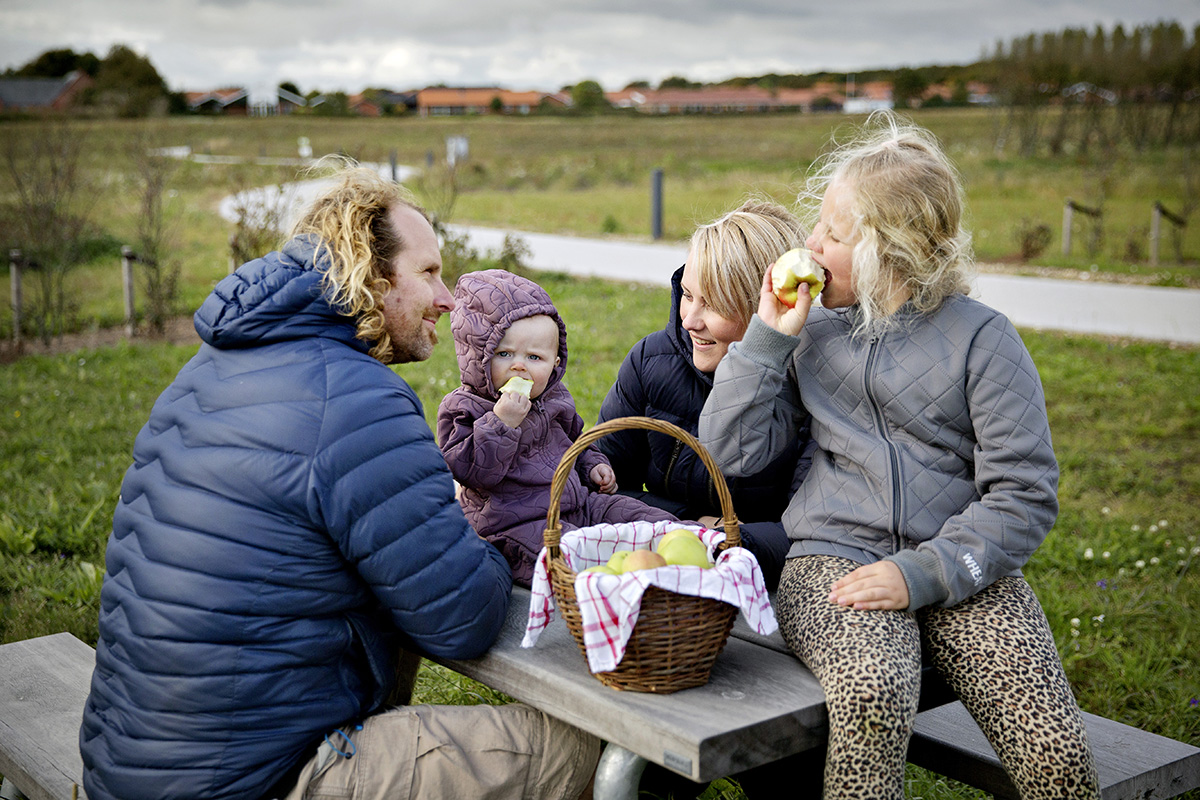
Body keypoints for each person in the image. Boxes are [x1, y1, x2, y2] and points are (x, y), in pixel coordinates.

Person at [78, 167, 600, 800]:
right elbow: (463, 616)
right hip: (256, 780)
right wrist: (487, 535)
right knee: (594, 752)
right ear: (374, 278)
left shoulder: (206, 371)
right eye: (429, 274)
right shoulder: (357, 400)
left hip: (129, 764)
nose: (449, 300)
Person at [699, 114, 1099, 799]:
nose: (812, 244)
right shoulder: (812, 330)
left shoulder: (985, 342)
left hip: (961, 562)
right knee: (873, 692)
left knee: (1058, 759)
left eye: (833, 233)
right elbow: (729, 454)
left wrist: (923, 574)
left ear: (889, 250)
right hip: (833, 557)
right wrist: (767, 338)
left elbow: (1024, 496)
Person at [596, 200, 811, 590]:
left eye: (712, 303)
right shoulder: (651, 361)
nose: (690, 319)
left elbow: (808, 530)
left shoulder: (808, 384)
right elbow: (598, 487)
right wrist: (691, 524)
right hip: (664, 587)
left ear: (770, 305)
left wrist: (734, 544)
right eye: (688, 294)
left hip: (766, 588)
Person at [438, 268, 677, 586]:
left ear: (555, 363)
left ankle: (686, 550)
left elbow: (577, 439)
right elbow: (469, 472)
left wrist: (593, 464)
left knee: (641, 517)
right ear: (477, 355)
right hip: (515, 524)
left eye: (534, 357)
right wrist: (501, 423)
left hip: (580, 505)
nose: (519, 365)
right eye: (504, 353)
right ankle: (614, 590)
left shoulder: (555, 398)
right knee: (574, 554)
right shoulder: (464, 408)